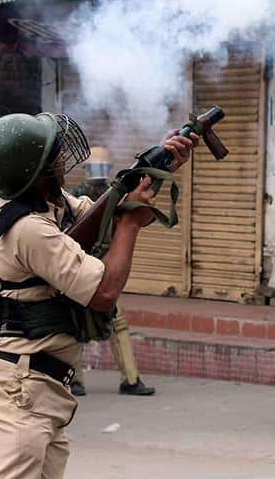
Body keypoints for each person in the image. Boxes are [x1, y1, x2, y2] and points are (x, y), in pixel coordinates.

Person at [0, 112, 196, 478]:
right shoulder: (28, 229)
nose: (62, 158)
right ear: (34, 173)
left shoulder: (50, 207)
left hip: (40, 387)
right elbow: (104, 292)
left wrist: (158, 167)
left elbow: (111, 212)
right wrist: (131, 225)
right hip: (19, 389)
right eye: (52, 155)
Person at [68, 147, 155, 397]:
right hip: (81, 265)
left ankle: (131, 379)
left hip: (105, 264)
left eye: (102, 168)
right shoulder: (77, 196)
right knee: (74, 323)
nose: (99, 173)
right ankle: (75, 380)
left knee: (117, 321)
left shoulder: (114, 194)